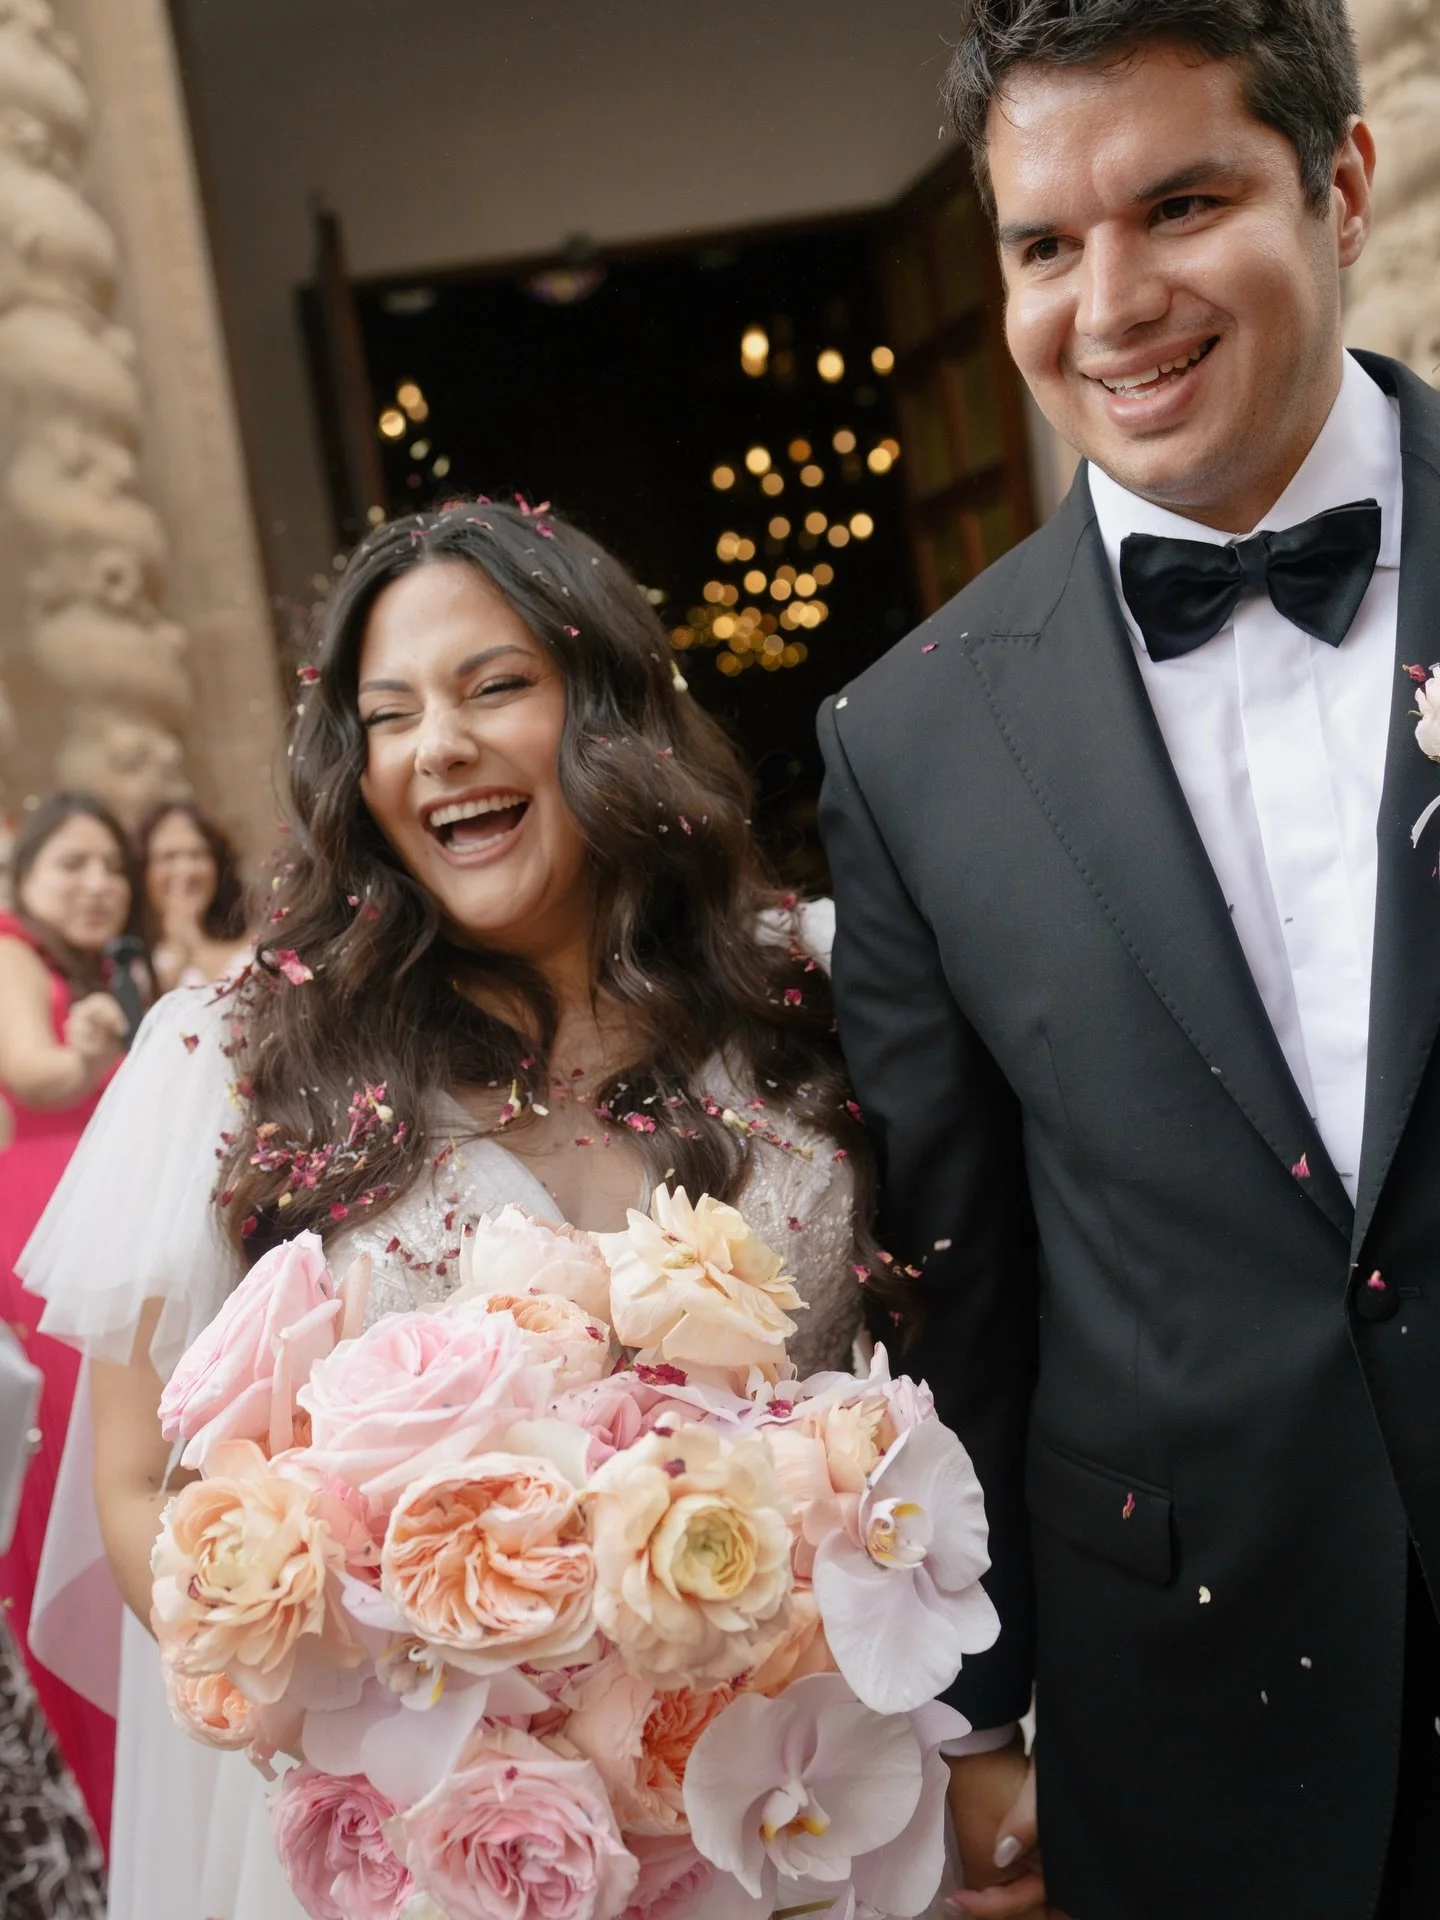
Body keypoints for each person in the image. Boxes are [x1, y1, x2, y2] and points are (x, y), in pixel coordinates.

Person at [20, 499, 874, 1920]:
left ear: (606, 707)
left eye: (497, 688)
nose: (442, 748)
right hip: (458, 1848)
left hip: (815, 1800)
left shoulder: (817, 995)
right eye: (391, 715)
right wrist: (398, 1739)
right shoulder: (235, 1067)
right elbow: (138, 1490)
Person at [818, 2, 1440, 1915]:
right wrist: (978, 1720)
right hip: (1200, 1718)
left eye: (1181, 203)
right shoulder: (907, 739)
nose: (1113, 302)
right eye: (1042, 244)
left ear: (1337, 181)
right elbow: (962, 1276)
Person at [0, 792, 146, 1856]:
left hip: (89, 1225)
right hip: (41, 1234)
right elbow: (35, 1074)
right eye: (74, 865)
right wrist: (96, 1043)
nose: (99, 883)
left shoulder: (92, 966)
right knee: (73, 1484)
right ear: (26, 880)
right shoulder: (10, 950)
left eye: (112, 866)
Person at [135, 800, 252, 991]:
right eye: (169, 857)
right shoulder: (130, 962)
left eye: (198, 854)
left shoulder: (253, 943)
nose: (186, 870)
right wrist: (180, 951)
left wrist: (194, 941)